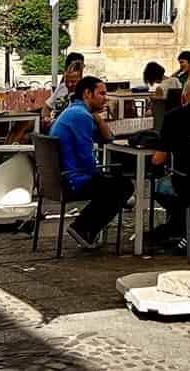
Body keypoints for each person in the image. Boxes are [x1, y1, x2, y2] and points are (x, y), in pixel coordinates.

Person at [48, 75, 131, 248]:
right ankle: (83, 229)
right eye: (101, 93)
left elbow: (107, 138)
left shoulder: (76, 112)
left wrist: (97, 117)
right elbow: (86, 156)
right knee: (124, 186)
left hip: (62, 176)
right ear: (87, 93)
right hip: (75, 178)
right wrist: (99, 174)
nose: (105, 98)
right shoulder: (80, 116)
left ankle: (86, 229)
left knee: (115, 183)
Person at [151, 78, 190, 247]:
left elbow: (159, 158)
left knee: (157, 184)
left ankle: (178, 224)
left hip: (183, 181)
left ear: (184, 97)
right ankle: (182, 224)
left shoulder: (173, 117)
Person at [45, 52, 85, 117]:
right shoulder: (61, 87)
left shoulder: (85, 93)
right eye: (67, 81)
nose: (69, 85)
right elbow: (47, 107)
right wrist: (45, 118)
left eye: (73, 82)